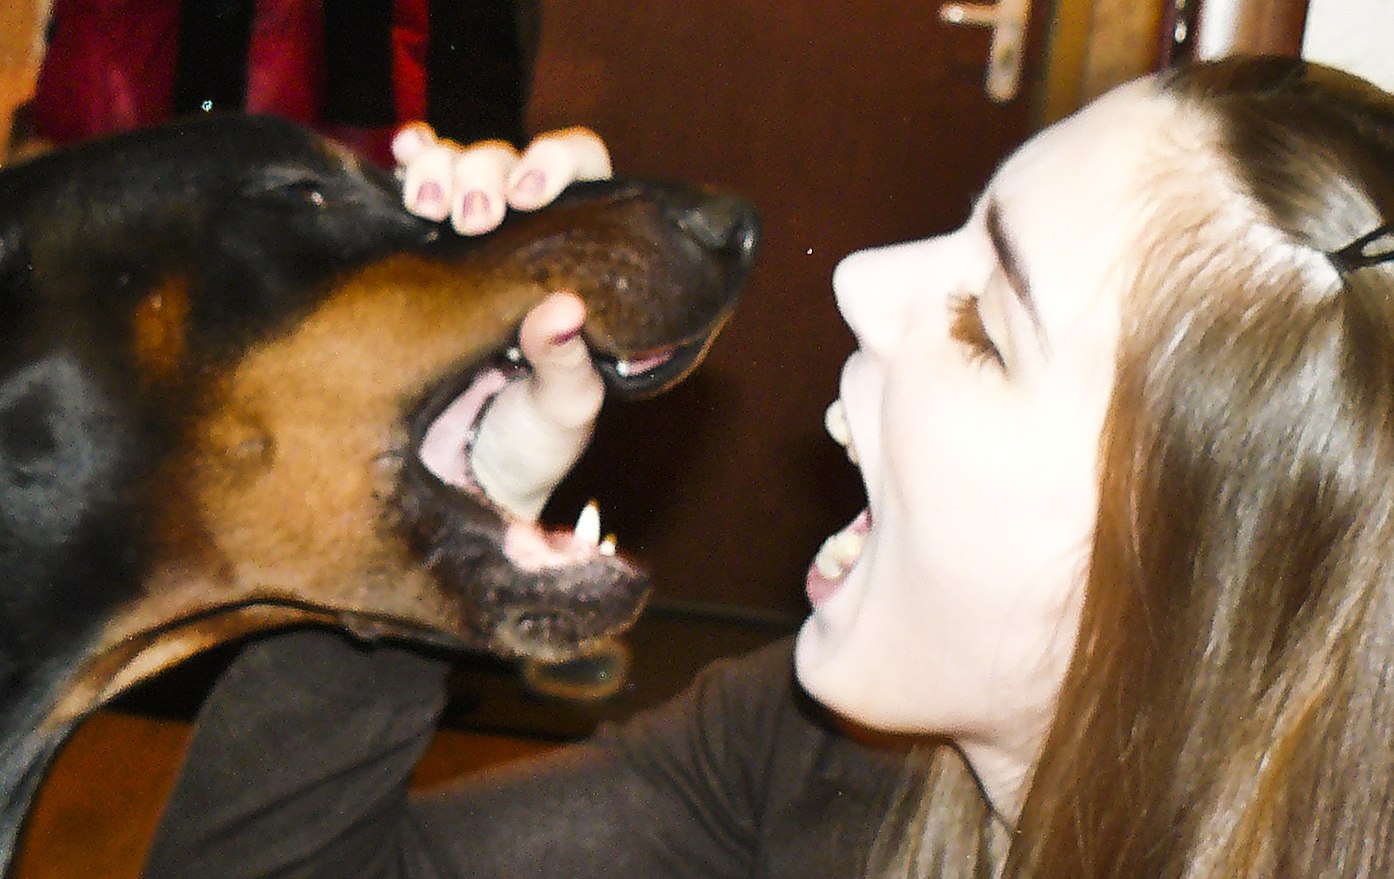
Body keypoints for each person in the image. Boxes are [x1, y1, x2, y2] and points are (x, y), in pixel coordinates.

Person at [143, 55, 1394, 878]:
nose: (857, 280)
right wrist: (442, 501)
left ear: (1197, 577)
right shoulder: (815, 761)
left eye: (984, 324)